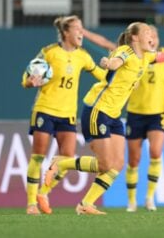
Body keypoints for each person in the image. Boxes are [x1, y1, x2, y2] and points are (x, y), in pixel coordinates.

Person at [45, 22, 164, 215]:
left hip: (113, 115)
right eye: (147, 32)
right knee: (105, 164)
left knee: (116, 165)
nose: (152, 36)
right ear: (135, 38)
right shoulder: (125, 51)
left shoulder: (148, 56)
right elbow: (116, 61)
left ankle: (85, 204)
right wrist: (109, 63)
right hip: (98, 110)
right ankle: (62, 163)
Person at [22, 16, 107, 215]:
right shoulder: (49, 52)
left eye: (82, 28)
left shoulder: (83, 56)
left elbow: (102, 76)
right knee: (38, 157)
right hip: (45, 109)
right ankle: (31, 204)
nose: (81, 32)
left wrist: (122, 78)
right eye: (77, 28)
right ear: (66, 32)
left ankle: (43, 193)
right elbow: (27, 76)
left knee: (67, 158)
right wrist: (29, 82)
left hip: (68, 114)